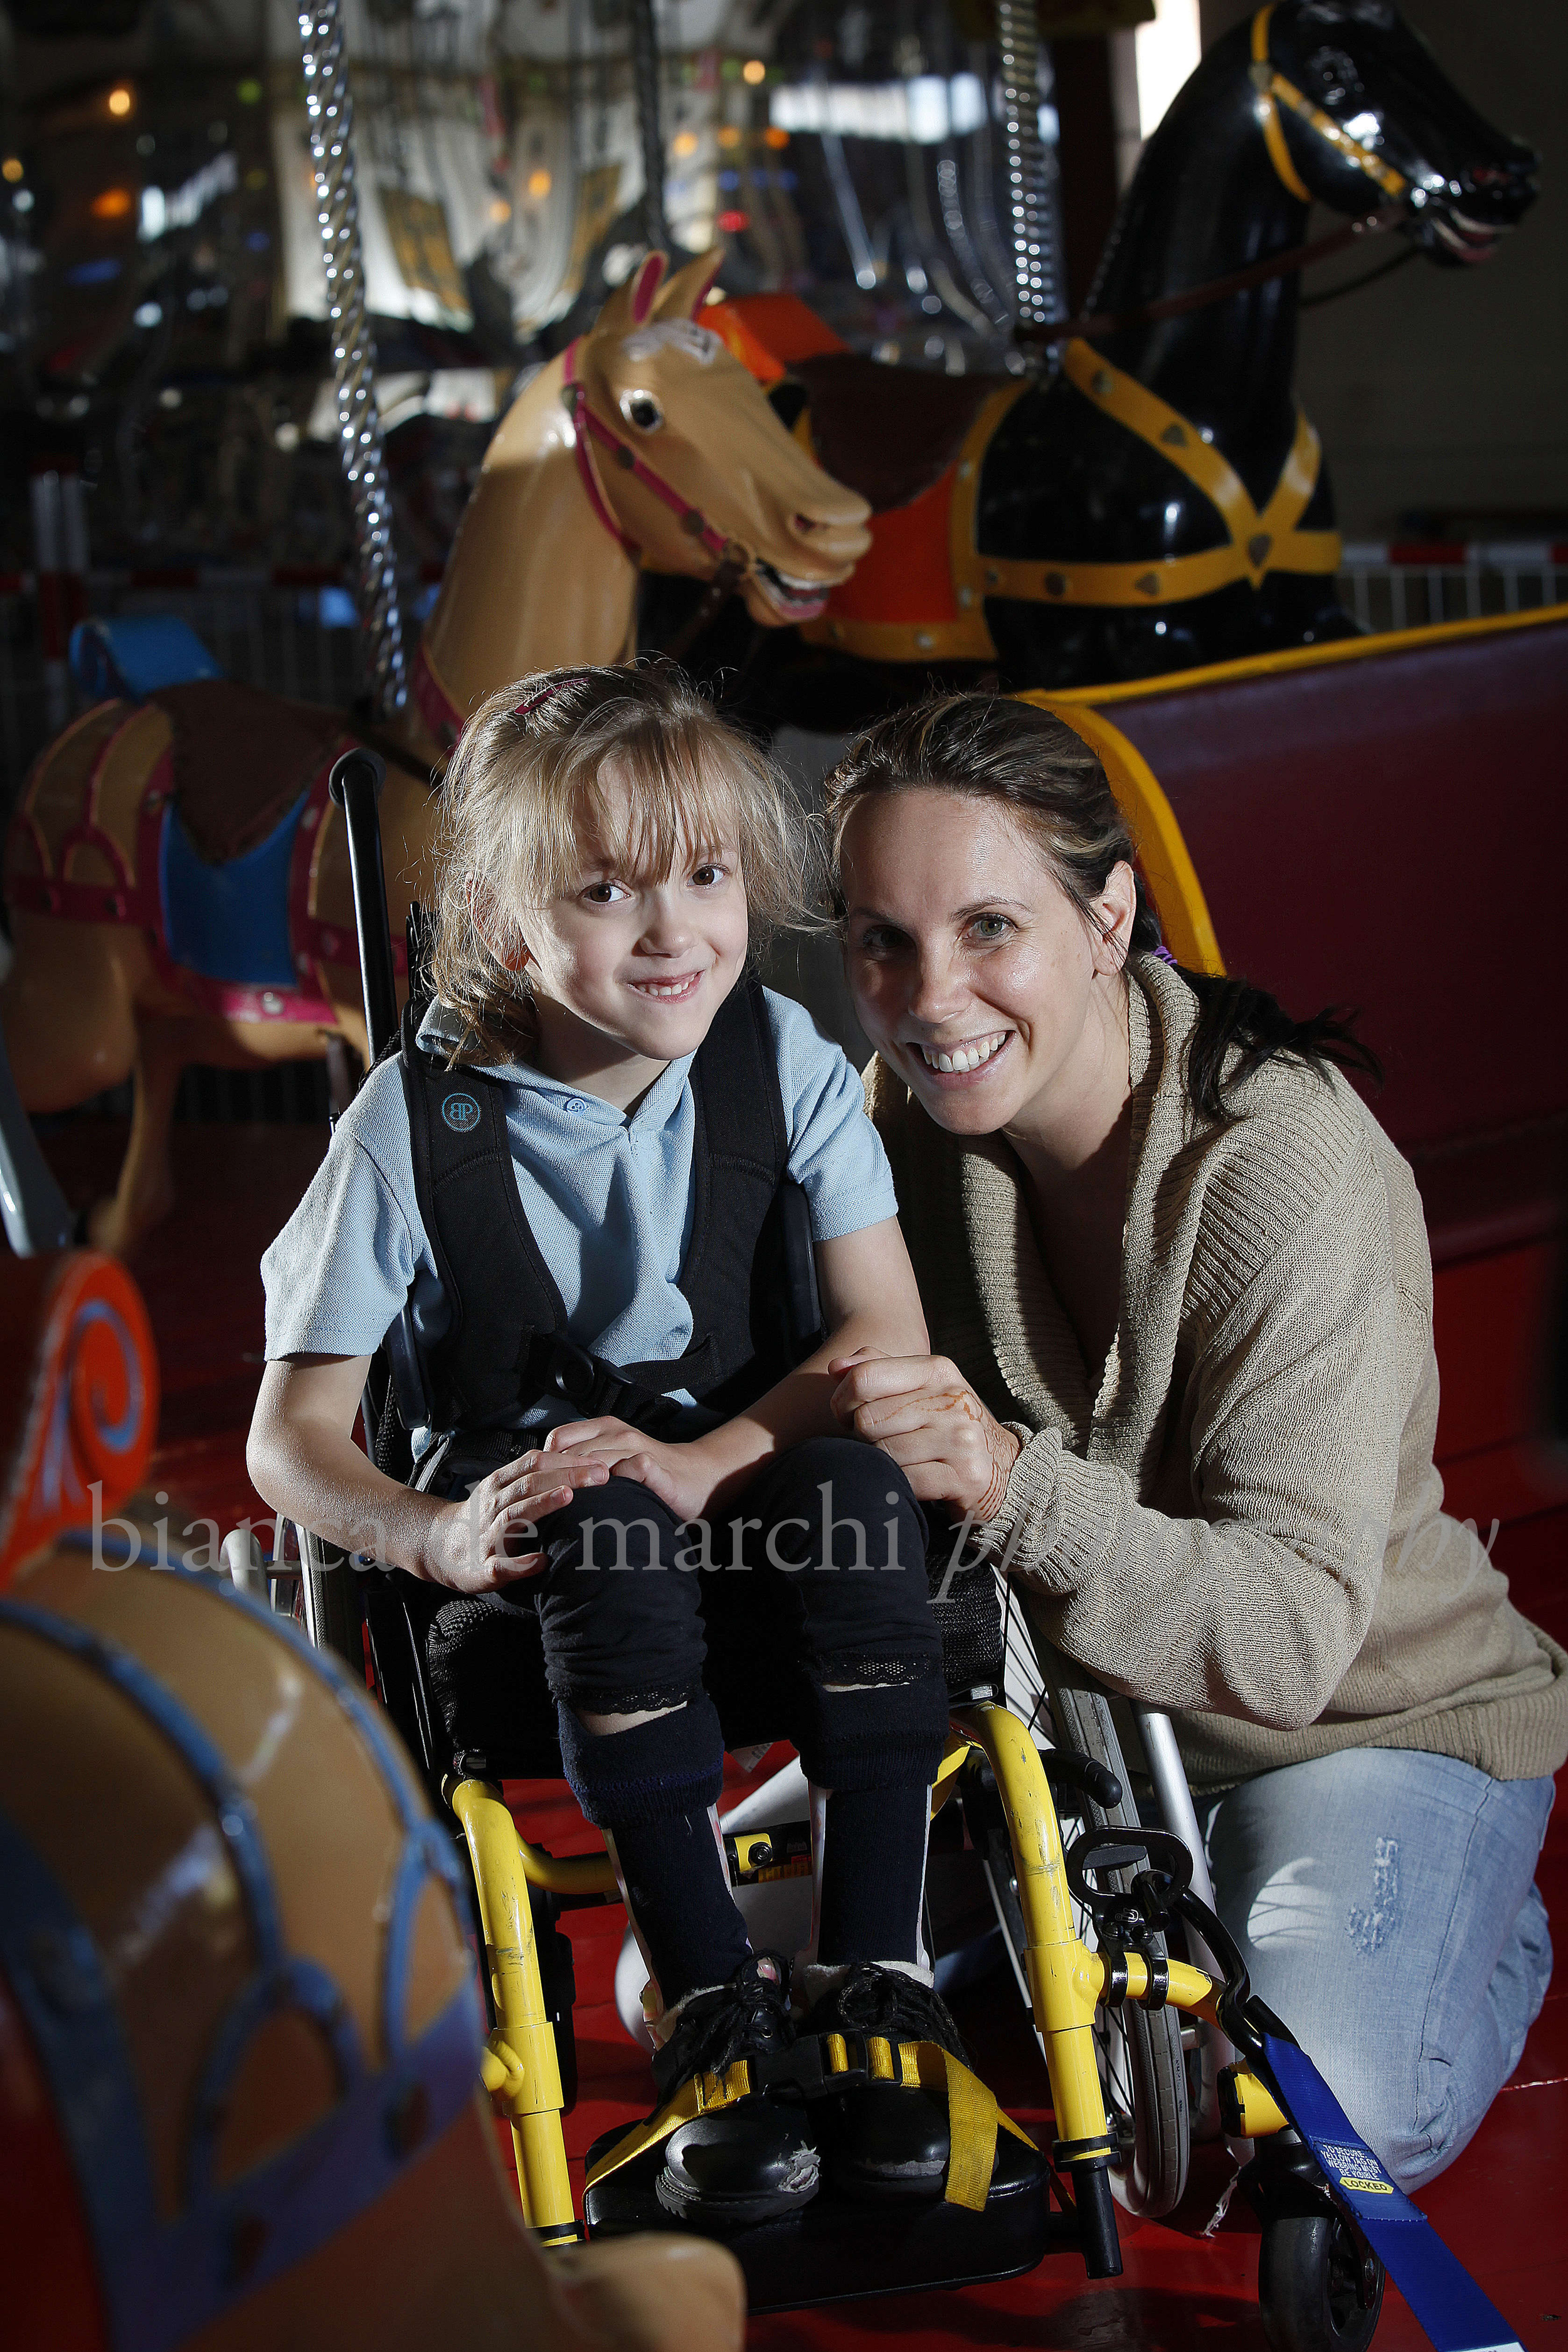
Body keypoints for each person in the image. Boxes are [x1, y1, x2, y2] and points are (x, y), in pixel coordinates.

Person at [822, 691, 1565, 2193]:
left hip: (1352, 1721)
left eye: (987, 929)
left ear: (1106, 921)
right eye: (881, 941)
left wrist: (1012, 1485)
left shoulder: (1284, 1167)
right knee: (716, 1989)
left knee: (1315, 2115)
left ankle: (1465, 1927)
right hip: (1075, 1731)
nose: (928, 997)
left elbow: (1291, 1638)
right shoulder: (903, 1125)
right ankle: (1144, 1941)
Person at [246, 665, 961, 2227]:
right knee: (608, 1517)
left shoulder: (780, 1058)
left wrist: (710, 1461)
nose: (672, 928)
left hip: (763, 1506)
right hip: (547, 1570)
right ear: (509, 924)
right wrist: (427, 1534)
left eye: (706, 876)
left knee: (853, 1478)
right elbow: (288, 1441)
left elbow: (880, 1341)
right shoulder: (404, 1130)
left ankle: (873, 1970)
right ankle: (709, 2000)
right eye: (607, 890)